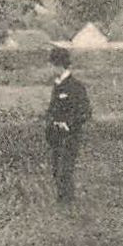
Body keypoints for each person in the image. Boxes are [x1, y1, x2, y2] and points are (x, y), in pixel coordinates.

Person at [45, 45, 92, 204]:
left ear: (59, 65)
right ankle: (62, 202)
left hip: (70, 135)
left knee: (65, 170)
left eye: (51, 65)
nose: (50, 68)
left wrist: (68, 124)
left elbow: (85, 112)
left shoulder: (76, 87)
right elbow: (52, 108)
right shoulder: (57, 85)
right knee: (56, 169)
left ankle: (67, 203)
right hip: (55, 135)